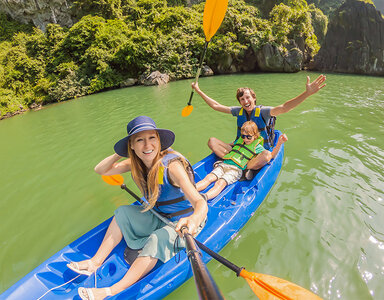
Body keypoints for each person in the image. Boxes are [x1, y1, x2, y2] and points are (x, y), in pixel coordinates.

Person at [67, 116, 208, 300]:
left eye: (152, 138)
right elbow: (101, 170)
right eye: (139, 140)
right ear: (131, 146)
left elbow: (200, 203)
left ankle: (113, 290)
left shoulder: (172, 167)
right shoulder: (135, 163)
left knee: (158, 239)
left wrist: (193, 220)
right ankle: (94, 262)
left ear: (159, 140)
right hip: (159, 214)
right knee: (122, 213)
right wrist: (120, 152)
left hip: (184, 222)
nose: (147, 145)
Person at [191, 74, 326, 171]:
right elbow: (216, 106)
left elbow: (284, 107)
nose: (246, 101)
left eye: (248, 97)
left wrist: (306, 94)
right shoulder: (238, 111)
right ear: (240, 102)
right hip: (240, 150)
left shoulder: (264, 112)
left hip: (256, 153)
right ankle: (237, 162)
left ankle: (244, 165)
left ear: (254, 98)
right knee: (212, 141)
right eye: (242, 99)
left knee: (267, 155)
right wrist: (198, 90)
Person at [196, 121, 288, 200]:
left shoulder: (257, 147)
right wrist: (218, 150)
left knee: (221, 183)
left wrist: (279, 143)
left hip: (236, 170)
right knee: (208, 178)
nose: (245, 139)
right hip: (224, 164)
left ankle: (205, 197)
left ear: (255, 136)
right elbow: (231, 145)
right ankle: (191, 190)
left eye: (249, 137)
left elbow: (271, 156)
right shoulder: (240, 141)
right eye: (243, 136)